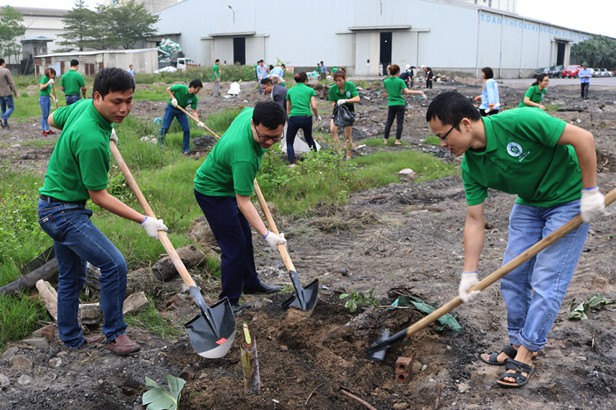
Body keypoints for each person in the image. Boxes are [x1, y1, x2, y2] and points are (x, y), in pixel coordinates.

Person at [426, 90, 606, 388]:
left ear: (466, 123)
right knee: (511, 273)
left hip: (569, 198)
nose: (442, 145)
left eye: (444, 136)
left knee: (548, 279)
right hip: (530, 203)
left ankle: (528, 349)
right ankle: (519, 340)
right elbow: (474, 219)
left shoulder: (521, 120)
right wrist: (469, 273)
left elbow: (583, 138)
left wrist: (589, 191)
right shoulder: (471, 165)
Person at [38, 67, 168, 355]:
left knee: (72, 277)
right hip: (63, 213)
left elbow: (51, 118)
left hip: (52, 206)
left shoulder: (82, 107)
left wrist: (99, 127)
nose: (124, 109)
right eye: (116, 102)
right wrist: (143, 219)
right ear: (97, 96)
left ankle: (71, 339)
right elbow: (99, 197)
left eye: (129, 101)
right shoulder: (92, 140)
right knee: (114, 265)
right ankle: (115, 333)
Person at [193, 101, 287, 312]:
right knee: (233, 246)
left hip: (228, 183)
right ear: (254, 124)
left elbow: (248, 113)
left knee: (244, 236)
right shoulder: (244, 156)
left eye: (276, 137)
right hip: (212, 192)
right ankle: (229, 300)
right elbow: (243, 201)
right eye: (264, 137)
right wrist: (267, 234)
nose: (269, 142)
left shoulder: (249, 113)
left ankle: (250, 282)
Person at [158, 79, 204, 154]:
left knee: (186, 129)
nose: (198, 91)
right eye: (197, 89)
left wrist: (198, 121)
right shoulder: (181, 87)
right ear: (192, 87)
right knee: (164, 128)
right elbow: (168, 89)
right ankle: (159, 145)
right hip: (171, 108)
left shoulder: (194, 98)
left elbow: (194, 111)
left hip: (181, 111)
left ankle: (186, 149)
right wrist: (173, 98)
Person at [383, 64, 425, 145]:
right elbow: (407, 91)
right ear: (398, 72)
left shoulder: (386, 81)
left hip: (391, 103)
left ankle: (385, 140)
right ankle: (397, 140)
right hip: (400, 103)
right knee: (399, 122)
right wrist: (419, 92)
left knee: (389, 122)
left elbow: (387, 90)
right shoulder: (400, 81)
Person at [285, 72, 320, 166]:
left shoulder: (290, 91)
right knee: (309, 138)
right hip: (306, 117)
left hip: (294, 117)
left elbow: (288, 108)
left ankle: (292, 163)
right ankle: (315, 158)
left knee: (289, 141)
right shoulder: (310, 90)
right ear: (306, 80)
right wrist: (317, 116)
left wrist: (289, 118)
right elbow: (314, 106)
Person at [328, 70, 360, 159]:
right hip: (337, 111)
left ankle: (348, 155)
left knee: (347, 135)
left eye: (340, 80)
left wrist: (345, 100)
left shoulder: (350, 86)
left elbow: (357, 98)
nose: (338, 83)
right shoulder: (332, 89)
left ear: (344, 79)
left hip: (348, 111)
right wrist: (335, 104)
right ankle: (339, 152)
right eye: (336, 81)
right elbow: (332, 101)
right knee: (333, 130)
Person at [0, 58, 18, 129]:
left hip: (0, 94)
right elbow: (11, 82)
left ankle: (5, 124)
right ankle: (2, 118)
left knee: (3, 109)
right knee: (11, 107)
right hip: (7, 93)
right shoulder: (6, 71)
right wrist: (15, 92)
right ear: (2, 63)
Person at [39, 68, 58, 136]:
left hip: (47, 97)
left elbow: (47, 91)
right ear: (50, 73)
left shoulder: (50, 79)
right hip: (43, 98)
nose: (53, 76)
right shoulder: (44, 78)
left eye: (54, 75)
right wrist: (48, 83)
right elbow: (41, 88)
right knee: (44, 115)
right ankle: (43, 130)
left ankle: (47, 129)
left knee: (47, 115)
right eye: (53, 74)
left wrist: (53, 97)